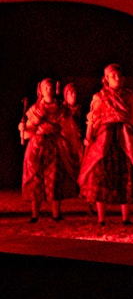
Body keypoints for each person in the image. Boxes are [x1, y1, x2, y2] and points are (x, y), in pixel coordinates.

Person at [79, 64, 133, 226]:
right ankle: (101, 218)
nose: (117, 78)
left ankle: (126, 218)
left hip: (126, 140)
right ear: (106, 79)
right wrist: (88, 138)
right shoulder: (100, 97)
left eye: (119, 75)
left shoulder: (130, 97)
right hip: (105, 140)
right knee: (101, 178)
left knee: (127, 176)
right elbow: (93, 119)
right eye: (113, 76)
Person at [19, 78, 79, 221]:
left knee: (55, 180)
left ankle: (56, 214)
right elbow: (29, 129)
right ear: (41, 90)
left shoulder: (62, 110)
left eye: (51, 88)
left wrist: (72, 144)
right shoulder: (35, 110)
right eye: (46, 88)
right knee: (36, 179)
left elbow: (69, 128)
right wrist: (24, 129)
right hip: (37, 146)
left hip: (56, 146)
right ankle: (35, 215)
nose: (49, 90)